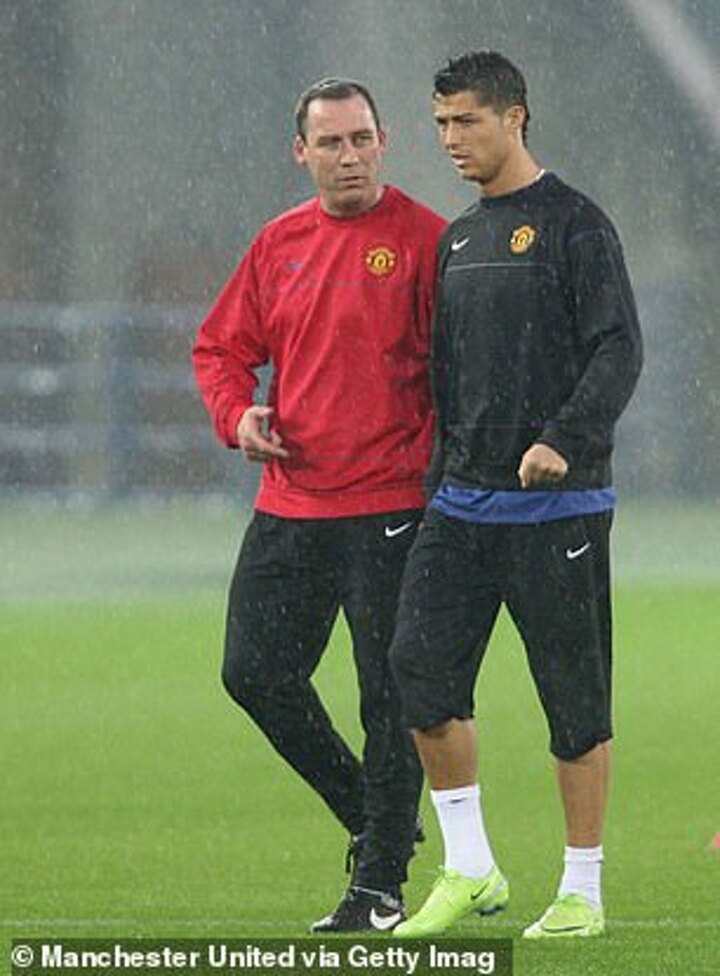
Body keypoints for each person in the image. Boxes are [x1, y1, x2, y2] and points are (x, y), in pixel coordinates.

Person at [390, 51, 643, 940]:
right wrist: (438, 481)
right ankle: (471, 867)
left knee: (573, 704)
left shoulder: (577, 226)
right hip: (461, 508)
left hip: (557, 512)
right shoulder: (459, 240)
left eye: (466, 121)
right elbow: (448, 376)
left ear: (515, 117)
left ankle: (582, 891)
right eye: (441, 124)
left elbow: (620, 349)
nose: (450, 139)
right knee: (418, 674)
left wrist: (563, 440)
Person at [192, 77, 446, 933]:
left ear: (385, 142)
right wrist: (238, 415)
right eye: (331, 142)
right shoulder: (279, 244)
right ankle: (377, 818)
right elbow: (219, 349)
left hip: (392, 506)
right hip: (291, 504)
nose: (349, 156)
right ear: (301, 153)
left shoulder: (425, 242)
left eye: (361, 139)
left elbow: (462, 370)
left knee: (389, 700)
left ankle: (379, 885)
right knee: (252, 673)